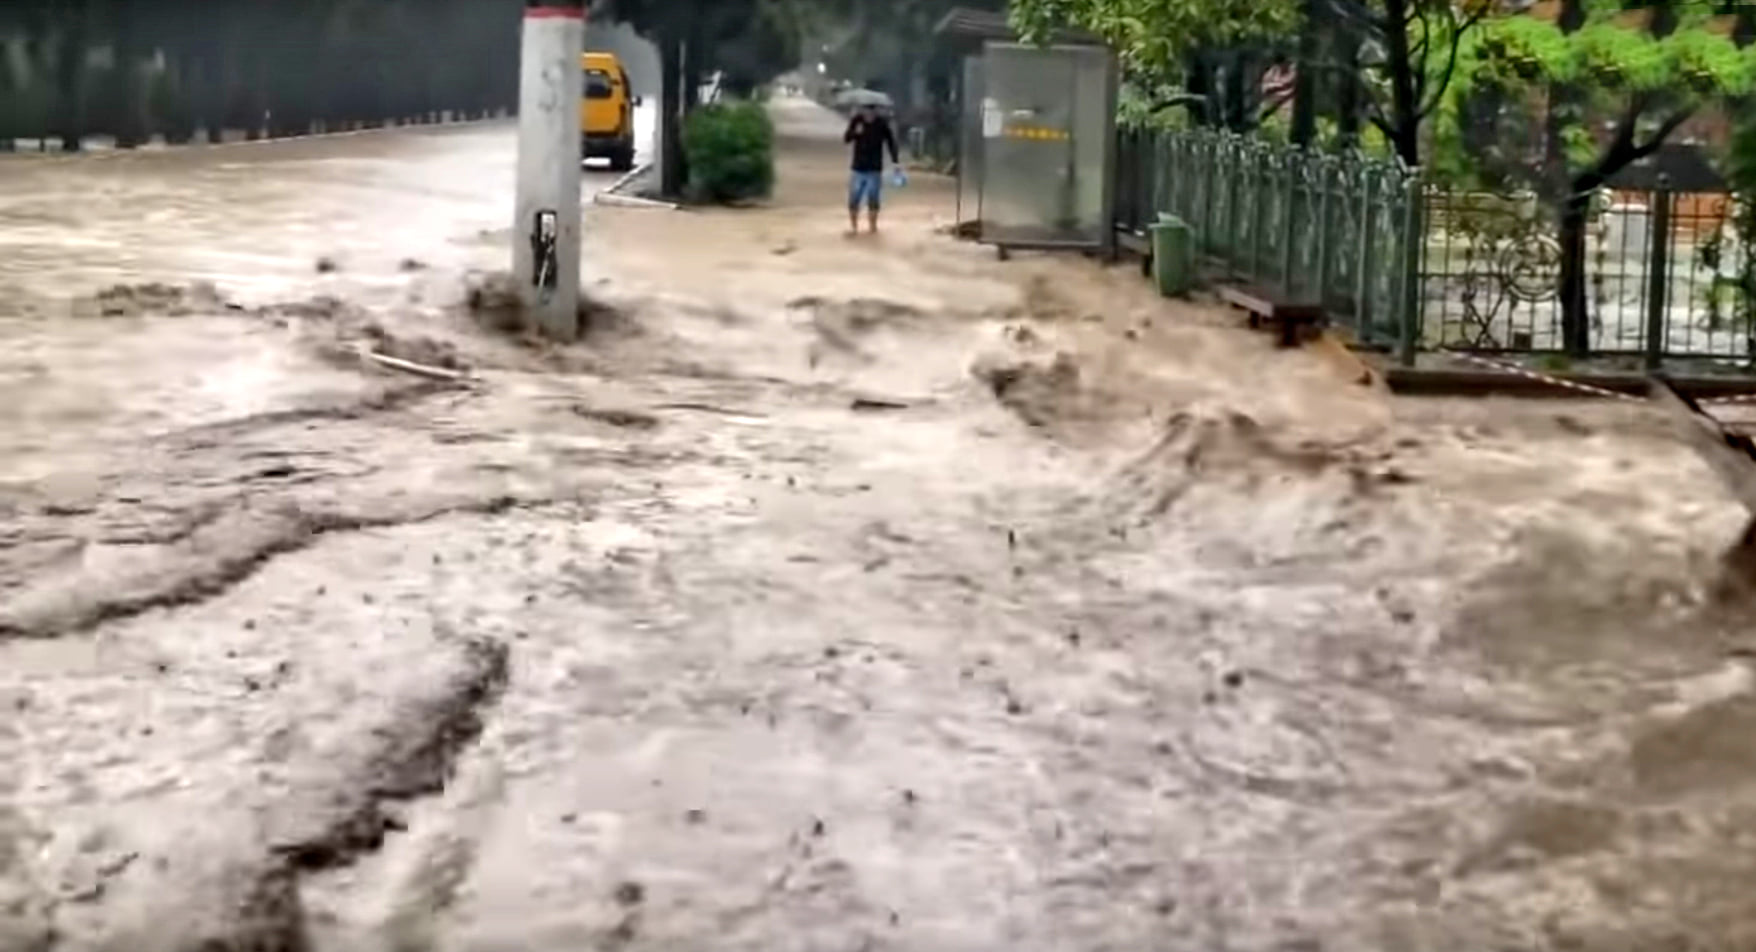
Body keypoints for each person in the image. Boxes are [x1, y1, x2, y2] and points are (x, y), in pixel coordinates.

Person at [843, 103, 899, 235]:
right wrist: (855, 132)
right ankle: (853, 226)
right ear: (862, 111)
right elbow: (846, 139)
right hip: (858, 167)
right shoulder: (857, 121)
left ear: (876, 111)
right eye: (866, 110)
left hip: (874, 167)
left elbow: (891, 142)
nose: (869, 113)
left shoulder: (882, 124)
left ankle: (872, 226)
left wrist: (895, 161)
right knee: (854, 198)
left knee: (873, 197)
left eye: (872, 111)